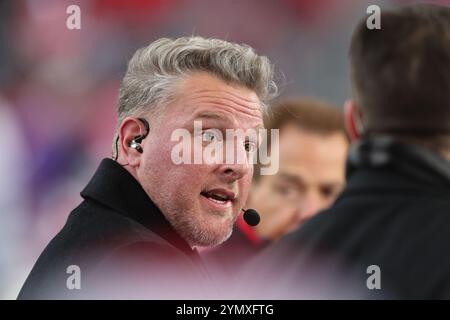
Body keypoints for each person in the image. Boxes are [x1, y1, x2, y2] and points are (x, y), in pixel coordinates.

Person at [18, 36, 277, 299]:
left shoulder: (101, 237)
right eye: (209, 136)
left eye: (248, 145)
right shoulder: (142, 263)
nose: (238, 166)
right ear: (135, 142)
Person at [240, 4, 450, 299]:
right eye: (288, 188)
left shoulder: (261, 277)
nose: (308, 208)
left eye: (325, 191)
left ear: (353, 122)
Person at [204, 99, 348, 279]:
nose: (311, 211)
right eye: (288, 190)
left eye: (329, 192)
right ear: (247, 189)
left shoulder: (368, 276)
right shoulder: (197, 283)